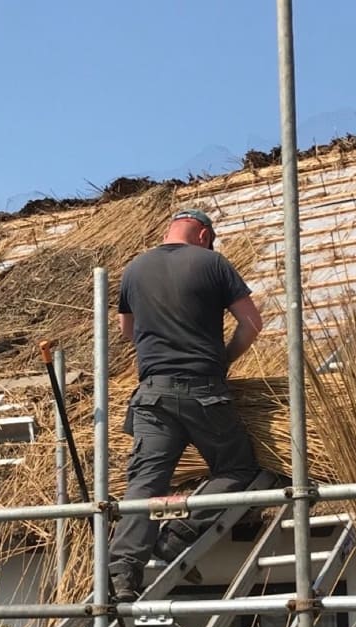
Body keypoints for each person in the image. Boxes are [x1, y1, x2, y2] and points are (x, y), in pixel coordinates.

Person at [109, 209, 263, 602]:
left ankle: (123, 573)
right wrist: (224, 358)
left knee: (144, 484)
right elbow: (252, 323)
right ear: (203, 235)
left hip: (152, 396)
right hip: (205, 392)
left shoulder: (135, 269)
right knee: (238, 467)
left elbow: (128, 332)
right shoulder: (212, 262)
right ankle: (180, 532)